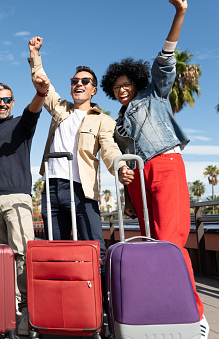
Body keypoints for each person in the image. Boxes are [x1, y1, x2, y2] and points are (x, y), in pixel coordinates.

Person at [100, 0, 208, 337]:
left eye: (125, 84)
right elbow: (122, 161)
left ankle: (195, 315)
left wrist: (180, 13)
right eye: (116, 87)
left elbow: (165, 61)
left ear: (135, 81)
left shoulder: (154, 96)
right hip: (138, 181)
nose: (121, 90)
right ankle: (161, 312)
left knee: (170, 242)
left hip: (164, 164)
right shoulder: (119, 124)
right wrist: (124, 181)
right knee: (149, 244)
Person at [27, 37, 134, 278]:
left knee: (95, 246)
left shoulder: (103, 120)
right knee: (58, 248)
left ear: (93, 90)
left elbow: (109, 148)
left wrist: (119, 167)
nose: (79, 84)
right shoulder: (59, 108)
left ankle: (107, 301)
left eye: (85, 81)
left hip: (81, 191)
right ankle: (67, 301)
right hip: (51, 189)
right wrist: (35, 56)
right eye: (75, 81)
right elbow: (44, 83)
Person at [0, 76, 49, 336]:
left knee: (22, 253)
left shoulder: (21, 124)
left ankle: (28, 309)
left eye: (7, 99)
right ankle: (5, 307)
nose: (2, 104)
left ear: (12, 102)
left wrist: (41, 92)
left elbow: (34, 111)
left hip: (16, 198)